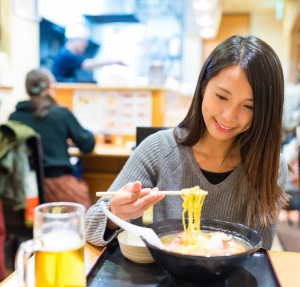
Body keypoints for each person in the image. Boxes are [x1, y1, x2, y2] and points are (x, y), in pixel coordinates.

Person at [85, 35, 290, 250]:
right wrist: (114, 214)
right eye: (221, 97)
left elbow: (261, 252)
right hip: (166, 276)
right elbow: (89, 228)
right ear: (202, 87)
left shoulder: (270, 166)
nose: (229, 116)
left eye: (248, 106)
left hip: (231, 282)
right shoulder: (159, 149)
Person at [9, 69, 95, 209]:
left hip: (24, 187)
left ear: (28, 90)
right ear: (51, 87)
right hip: (58, 185)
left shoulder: (14, 117)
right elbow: (87, 145)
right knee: (85, 218)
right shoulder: (61, 113)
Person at [52, 23, 123, 82]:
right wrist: (111, 62)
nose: (86, 45)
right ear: (73, 40)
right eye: (83, 41)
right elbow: (87, 64)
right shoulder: (65, 55)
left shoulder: (65, 52)